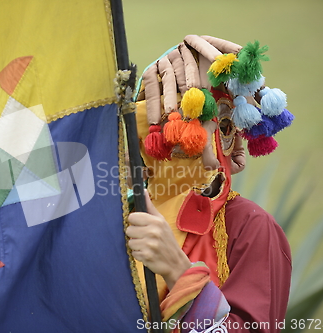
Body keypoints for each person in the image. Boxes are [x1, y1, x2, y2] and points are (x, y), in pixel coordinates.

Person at [126, 35, 293, 332]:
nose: (206, 156)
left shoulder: (248, 228)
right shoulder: (120, 216)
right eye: (176, 133)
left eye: (221, 129)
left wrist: (180, 273)